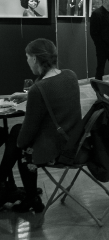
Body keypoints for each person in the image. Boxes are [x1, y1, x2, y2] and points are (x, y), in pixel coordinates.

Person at [0, 39, 82, 212]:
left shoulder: (39, 89)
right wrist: (29, 95)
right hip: (75, 140)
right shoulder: (70, 75)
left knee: (22, 144)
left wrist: (33, 94)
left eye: (27, 57)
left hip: (59, 150)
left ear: (35, 59)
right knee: (16, 131)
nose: (27, 61)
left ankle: (23, 194)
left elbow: (24, 138)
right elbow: (54, 91)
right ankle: (15, 190)